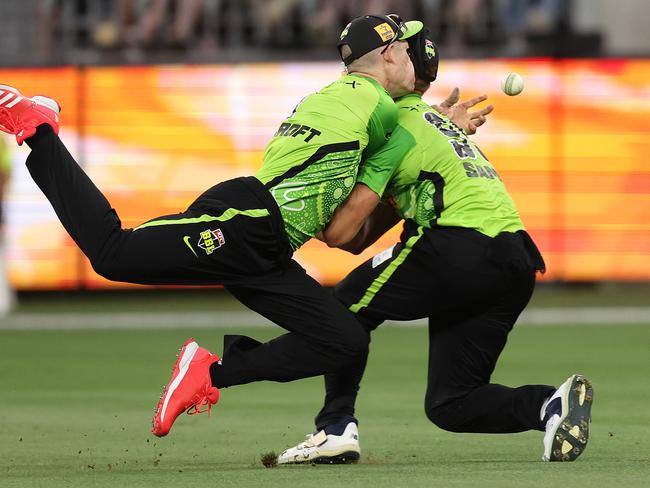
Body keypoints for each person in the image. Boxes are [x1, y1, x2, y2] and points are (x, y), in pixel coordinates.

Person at [0, 14, 424, 438]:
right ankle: (38, 129)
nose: (412, 57)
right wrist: (430, 124)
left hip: (268, 245)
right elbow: (403, 132)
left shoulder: (340, 96)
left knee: (344, 341)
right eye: (406, 49)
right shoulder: (377, 107)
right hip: (246, 223)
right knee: (113, 254)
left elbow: (339, 235)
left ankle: (208, 373)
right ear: (387, 52)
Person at [276, 25, 593, 464]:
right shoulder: (436, 124)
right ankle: (548, 406)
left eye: (405, 51)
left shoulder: (388, 119)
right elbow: (360, 236)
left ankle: (334, 427)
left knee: (342, 309)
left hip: (459, 245)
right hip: (515, 255)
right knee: (450, 402)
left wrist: (307, 210)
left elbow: (344, 236)